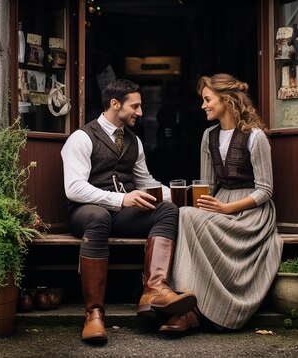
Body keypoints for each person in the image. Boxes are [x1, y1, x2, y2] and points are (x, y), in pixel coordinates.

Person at [61, 78, 197, 343]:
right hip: (85, 213)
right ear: (115, 104)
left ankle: (154, 289)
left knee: (167, 210)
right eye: (135, 106)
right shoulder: (81, 138)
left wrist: (186, 196)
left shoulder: (134, 141)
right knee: (99, 217)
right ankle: (94, 314)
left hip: (121, 213)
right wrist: (120, 200)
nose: (141, 112)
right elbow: (74, 189)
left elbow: (147, 184)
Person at [162, 73, 283, 332]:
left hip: (252, 211)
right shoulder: (209, 136)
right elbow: (207, 185)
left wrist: (227, 209)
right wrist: (203, 205)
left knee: (187, 217)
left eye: (207, 99)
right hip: (221, 202)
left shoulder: (255, 136)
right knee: (183, 214)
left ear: (226, 99)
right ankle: (185, 302)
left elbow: (265, 190)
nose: (202, 105)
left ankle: (195, 310)